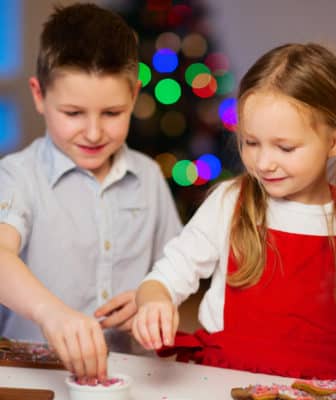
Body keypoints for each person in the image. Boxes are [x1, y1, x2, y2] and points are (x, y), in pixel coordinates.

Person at [131, 43, 336, 383]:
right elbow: (167, 275)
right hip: (222, 382)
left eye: (284, 147)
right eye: (250, 142)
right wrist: (155, 299)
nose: (263, 162)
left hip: (318, 388)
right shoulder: (231, 201)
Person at [0, 1, 181, 377]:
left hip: (128, 376)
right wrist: (50, 312)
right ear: (39, 95)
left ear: (134, 94)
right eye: (73, 113)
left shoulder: (148, 177)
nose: (95, 133)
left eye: (112, 113)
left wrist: (153, 294)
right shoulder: (17, 176)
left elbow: (175, 268)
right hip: (35, 376)